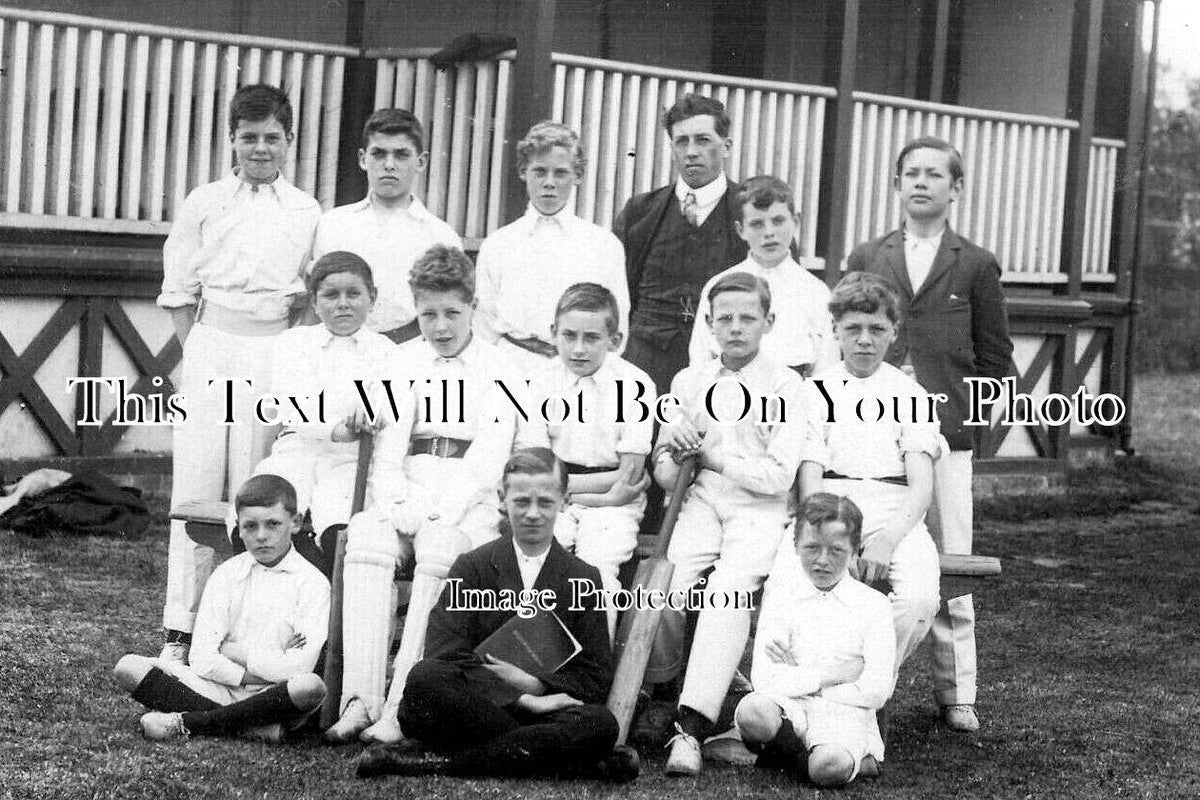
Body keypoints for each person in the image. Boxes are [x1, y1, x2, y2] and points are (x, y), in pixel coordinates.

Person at [846, 136, 1014, 732]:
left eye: (934, 174)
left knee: (952, 565)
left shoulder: (974, 262)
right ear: (897, 185)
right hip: (868, 438)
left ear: (955, 188)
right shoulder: (869, 253)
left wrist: (971, 429)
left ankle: (957, 691)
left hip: (944, 437)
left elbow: (998, 361)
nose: (921, 182)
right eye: (910, 173)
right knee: (867, 557)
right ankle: (855, 673)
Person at [326, 244, 518, 745]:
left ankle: (401, 707)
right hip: (407, 485)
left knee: (439, 548)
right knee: (367, 537)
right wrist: (397, 503)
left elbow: (489, 459)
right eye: (428, 314)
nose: (440, 326)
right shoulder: (401, 359)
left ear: (473, 308)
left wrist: (437, 512)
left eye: (452, 313)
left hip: (467, 499)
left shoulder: (502, 367)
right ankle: (359, 700)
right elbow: (385, 447)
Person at [157, 84, 321, 664]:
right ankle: (181, 628)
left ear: (289, 141)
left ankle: (249, 625)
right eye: (248, 137)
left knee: (256, 487)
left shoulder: (306, 211)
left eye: (271, 138)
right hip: (212, 345)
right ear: (231, 140)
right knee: (197, 488)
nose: (259, 148)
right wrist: (199, 354)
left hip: (273, 350)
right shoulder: (205, 201)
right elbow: (178, 290)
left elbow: (307, 295)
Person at [354, 448, 638, 782]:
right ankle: (577, 763)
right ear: (503, 499)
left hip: (543, 714)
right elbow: (444, 652)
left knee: (600, 723)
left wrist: (536, 686)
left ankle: (432, 763)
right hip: (478, 706)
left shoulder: (583, 578)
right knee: (425, 680)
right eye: (521, 501)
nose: (533, 514)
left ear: (564, 500)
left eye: (545, 502)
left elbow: (594, 676)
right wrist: (519, 699)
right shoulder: (472, 566)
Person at [648, 271, 806, 777]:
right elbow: (666, 473)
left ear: (768, 321)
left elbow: (780, 476)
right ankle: (662, 690)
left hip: (758, 511)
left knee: (728, 592)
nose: (736, 328)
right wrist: (671, 450)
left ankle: (689, 729)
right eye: (725, 319)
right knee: (666, 585)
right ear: (709, 324)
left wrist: (712, 458)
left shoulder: (786, 383)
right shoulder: (689, 381)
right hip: (701, 504)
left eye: (748, 318)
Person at [796, 272, 943, 694]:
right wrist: (827, 531)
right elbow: (811, 476)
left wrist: (886, 540)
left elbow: (921, 487)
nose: (865, 340)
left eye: (877, 329)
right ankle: (814, 686)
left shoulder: (911, 394)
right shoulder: (815, 390)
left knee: (919, 601)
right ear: (835, 332)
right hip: (830, 507)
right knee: (802, 588)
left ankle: (861, 681)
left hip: (894, 510)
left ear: (894, 332)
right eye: (853, 329)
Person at [113, 475, 329, 742]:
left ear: (294, 523)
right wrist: (251, 673)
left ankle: (189, 722)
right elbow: (202, 659)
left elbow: (298, 668)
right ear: (238, 528)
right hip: (220, 686)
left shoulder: (313, 583)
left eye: (273, 524)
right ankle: (253, 727)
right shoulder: (227, 574)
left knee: (310, 686)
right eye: (250, 526)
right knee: (128, 667)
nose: (261, 536)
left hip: (274, 693)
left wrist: (235, 652)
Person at [516, 283, 654, 637]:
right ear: (553, 334)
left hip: (612, 505)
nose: (578, 348)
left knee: (597, 570)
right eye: (569, 336)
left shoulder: (635, 383)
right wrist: (578, 495)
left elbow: (630, 473)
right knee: (536, 564)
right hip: (560, 498)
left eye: (592, 337)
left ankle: (591, 675)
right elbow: (534, 467)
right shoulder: (539, 380)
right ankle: (535, 671)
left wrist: (572, 492)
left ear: (615, 339)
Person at [736, 493, 895, 787]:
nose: (822, 561)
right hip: (790, 705)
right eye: (811, 548)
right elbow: (764, 679)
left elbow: (876, 690)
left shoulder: (874, 606)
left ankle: (803, 757)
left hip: (845, 710)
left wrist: (803, 679)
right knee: (752, 711)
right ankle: (812, 756)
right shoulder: (782, 599)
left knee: (828, 768)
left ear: (855, 549)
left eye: (836, 550)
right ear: (796, 546)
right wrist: (834, 675)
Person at [251, 251, 399, 547]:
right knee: (263, 507)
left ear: (372, 297)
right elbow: (292, 404)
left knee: (340, 526)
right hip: (297, 449)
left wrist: (366, 418)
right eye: (331, 295)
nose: (343, 303)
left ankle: (326, 582)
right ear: (314, 301)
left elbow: (383, 407)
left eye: (354, 294)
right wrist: (336, 430)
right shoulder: (293, 343)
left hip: (350, 461)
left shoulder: (387, 352)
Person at [613, 93, 748, 396]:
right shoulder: (639, 212)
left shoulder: (753, 215)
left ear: (726, 146)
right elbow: (618, 294)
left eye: (703, 140)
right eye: (681, 141)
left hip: (723, 366)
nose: (691, 152)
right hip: (645, 365)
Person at [475, 121, 629, 373]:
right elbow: (484, 324)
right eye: (539, 171)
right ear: (523, 172)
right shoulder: (498, 244)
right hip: (512, 367)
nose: (549, 182)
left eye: (560, 173)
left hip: (578, 368)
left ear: (577, 175)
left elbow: (617, 322)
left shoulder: (603, 245)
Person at [312, 108, 462, 343]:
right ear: (363, 159)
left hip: (408, 348)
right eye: (379, 154)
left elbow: (448, 310)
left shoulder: (440, 236)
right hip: (343, 345)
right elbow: (319, 296)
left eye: (401, 155)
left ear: (421, 161)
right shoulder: (334, 224)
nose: (389, 164)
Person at [689, 175, 838, 376]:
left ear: (795, 222)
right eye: (757, 224)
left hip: (792, 400)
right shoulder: (719, 286)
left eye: (778, 221)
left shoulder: (815, 291)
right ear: (741, 230)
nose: (769, 233)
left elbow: (826, 367)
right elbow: (700, 359)